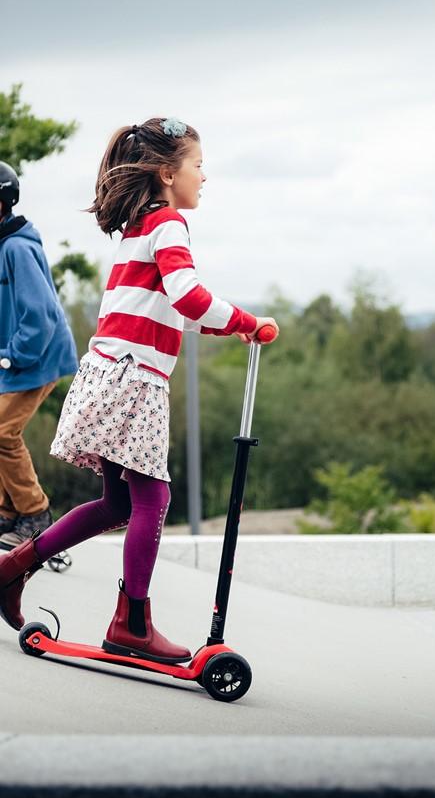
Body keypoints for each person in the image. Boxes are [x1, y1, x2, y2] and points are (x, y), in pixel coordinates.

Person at [0, 117, 278, 662]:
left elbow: (175, 309)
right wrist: (249, 320)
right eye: (198, 165)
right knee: (154, 498)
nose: (205, 176)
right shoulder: (169, 223)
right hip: (134, 379)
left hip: (107, 372)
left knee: (116, 502)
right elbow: (190, 296)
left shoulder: (140, 228)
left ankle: (12, 568)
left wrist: (236, 327)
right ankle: (131, 623)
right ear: (168, 172)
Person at [0, 161, 78, 549]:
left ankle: (34, 515)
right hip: (15, 359)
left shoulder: (16, 247)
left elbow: (41, 317)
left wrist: (12, 357)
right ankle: (8, 513)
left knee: (2, 431)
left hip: (37, 358)